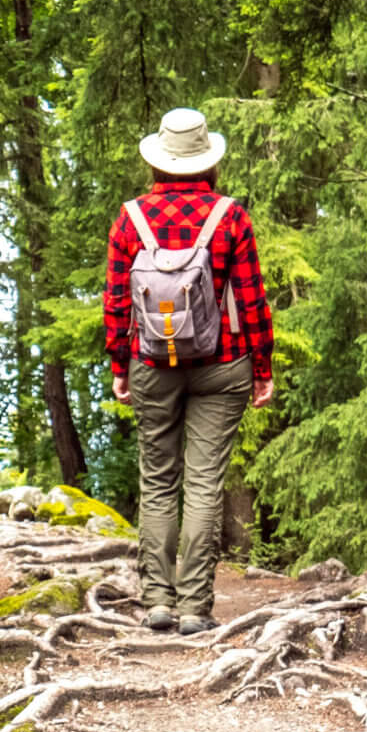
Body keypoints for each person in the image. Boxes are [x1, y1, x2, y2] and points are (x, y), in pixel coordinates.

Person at [103, 106, 274, 635]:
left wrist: (120, 364)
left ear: (160, 161)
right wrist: (262, 368)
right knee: (204, 485)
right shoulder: (231, 216)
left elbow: (115, 301)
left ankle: (157, 599)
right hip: (223, 365)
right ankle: (196, 608)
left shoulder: (130, 219)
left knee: (158, 482)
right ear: (207, 161)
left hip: (152, 362)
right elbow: (251, 300)